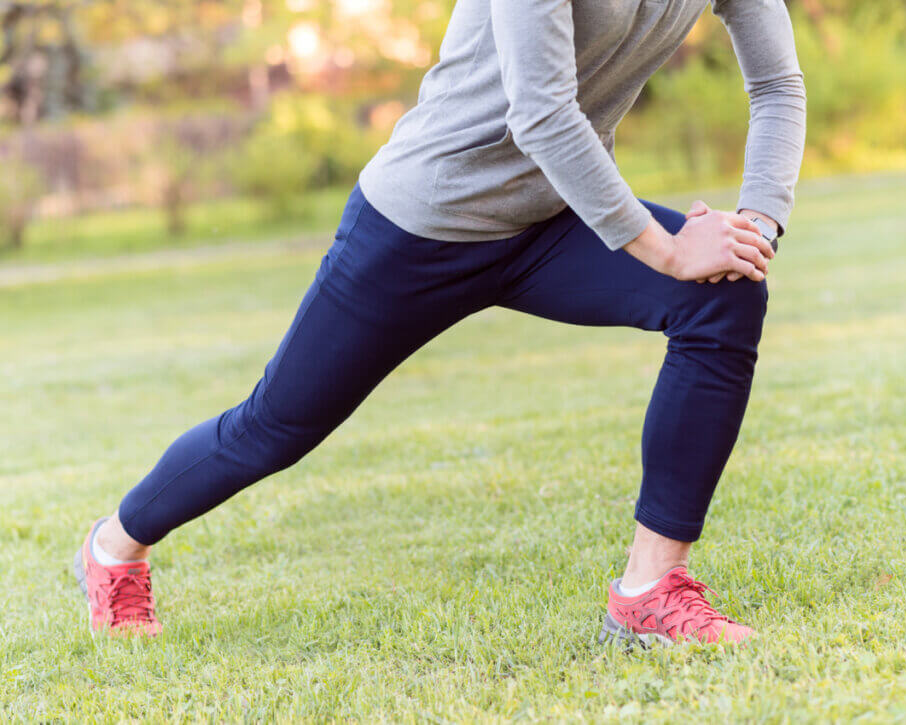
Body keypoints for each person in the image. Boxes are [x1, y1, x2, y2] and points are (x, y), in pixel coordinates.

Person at [73, 0, 806, 645]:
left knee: (723, 293)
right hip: (421, 225)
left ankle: (648, 591)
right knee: (272, 428)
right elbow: (542, 112)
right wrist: (669, 251)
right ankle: (114, 546)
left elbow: (777, 85)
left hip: (552, 221)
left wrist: (754, 230)